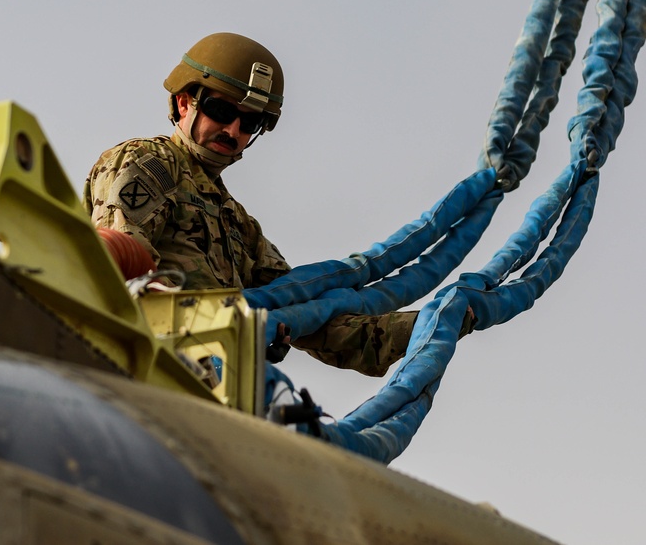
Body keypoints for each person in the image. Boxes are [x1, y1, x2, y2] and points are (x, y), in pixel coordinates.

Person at [83, 33, 462, 377]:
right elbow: (121, 263)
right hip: (137, 368)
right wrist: (215, 322)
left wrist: (438, 320)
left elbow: (309, 311)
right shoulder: (150, 162)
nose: (233, 130)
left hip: (207, 387)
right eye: (220, 110)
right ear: (185, 102)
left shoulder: (237, 223)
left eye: (249, 122)